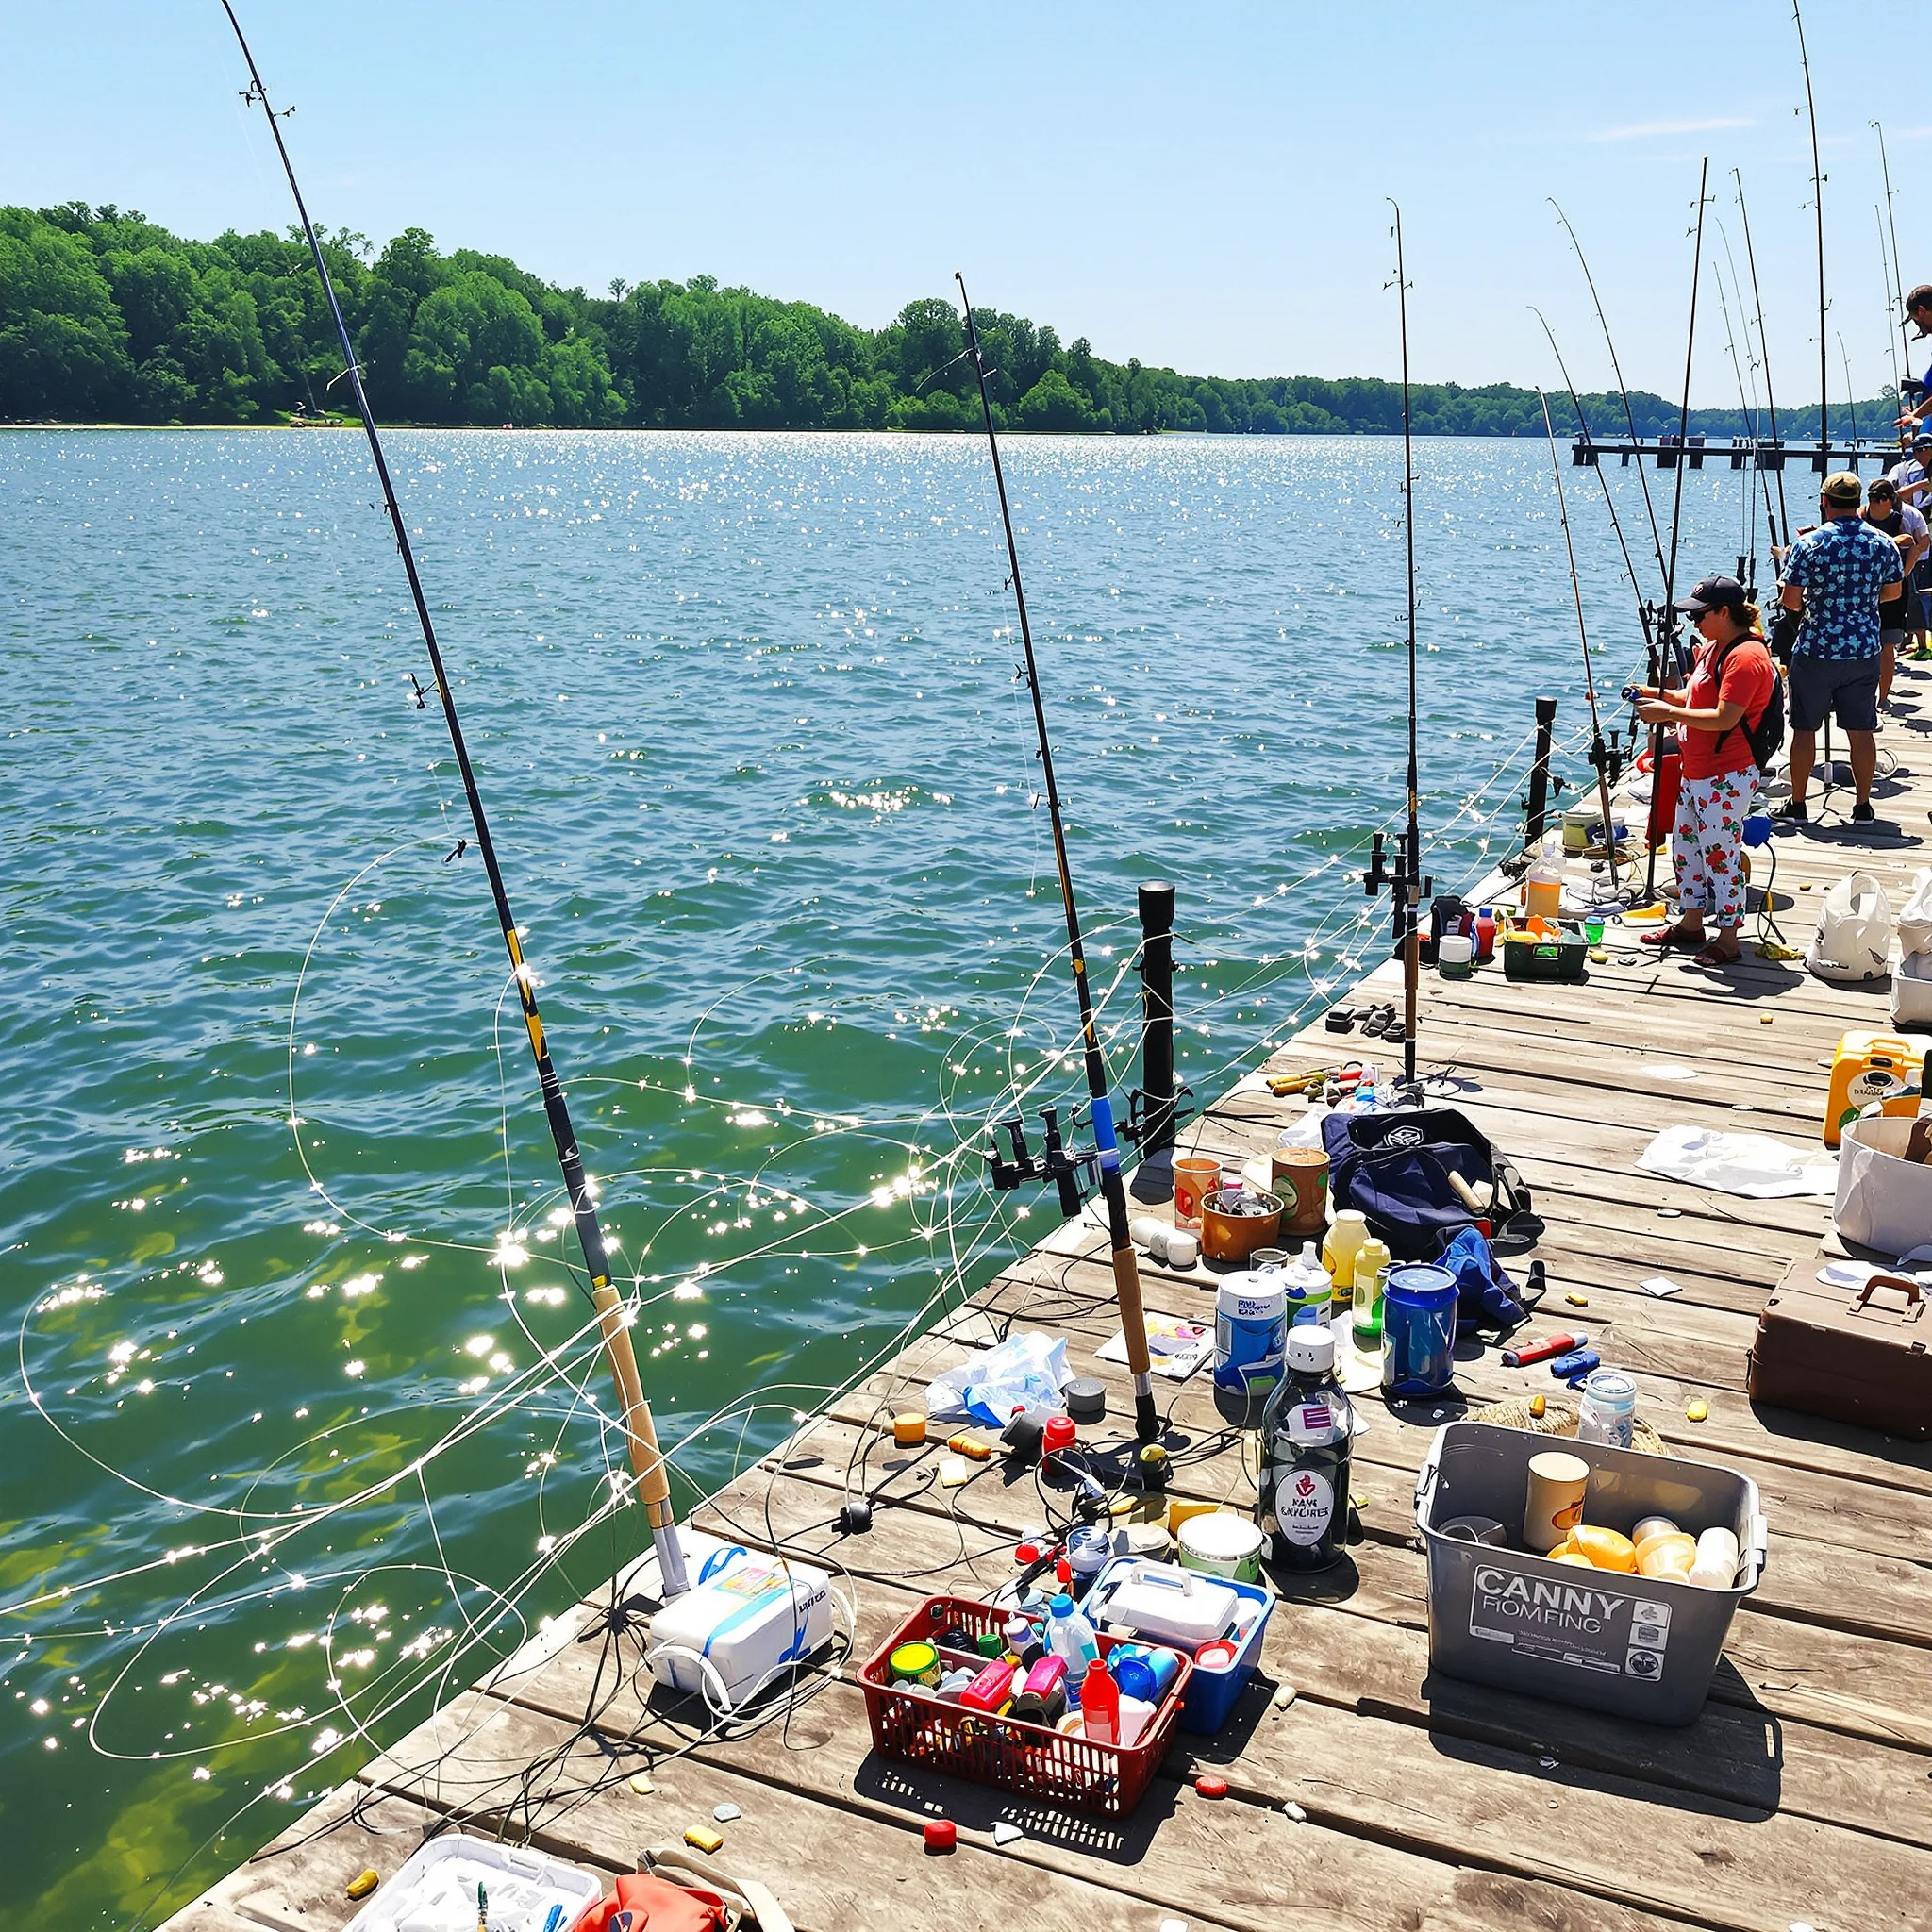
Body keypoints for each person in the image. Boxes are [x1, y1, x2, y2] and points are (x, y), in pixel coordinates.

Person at [1633, 576, 1778, 967]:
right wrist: (1656, 696)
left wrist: (1668, 714)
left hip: (1726, 774)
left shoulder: (1746, 658)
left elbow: (1723, 717)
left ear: (1724, 612)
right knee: (1686, 848)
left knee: (1720, 854)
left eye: (1699, 614)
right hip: (1696, 770)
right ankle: (1692, 922)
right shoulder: (1713, 648)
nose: (1694, 621)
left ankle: (1729, 938)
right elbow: (1695, 697)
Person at [1775, 472, 1904, 824]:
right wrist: (1859, 602)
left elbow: (1791, 600)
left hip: (1816, 650)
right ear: (1858, 502)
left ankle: (1799, 804)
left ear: (1824, 501)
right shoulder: (1882, 543)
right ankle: (1863, 806)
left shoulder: (1809, 544)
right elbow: (1893, 593)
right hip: (1864, 650)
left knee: (1804, 730)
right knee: (1861, 731)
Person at [1864, 475, 1927, 704]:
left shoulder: (1901, 520)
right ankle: (1867, 696)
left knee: (1887, 644)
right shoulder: (1861, 516)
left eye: (1880, 498)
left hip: (1892, 589)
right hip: (1865, 588)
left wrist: (1904, 573)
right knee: (1867, 644)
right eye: (1872, 498)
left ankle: (1882, 696)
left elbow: (1919, 544)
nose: (1876, 502)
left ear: (1890, 500)